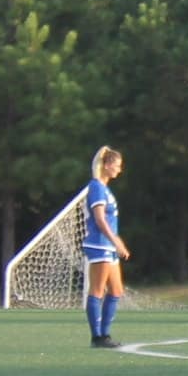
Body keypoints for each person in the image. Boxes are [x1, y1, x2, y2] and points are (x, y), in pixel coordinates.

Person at [81, 146, 128, 348]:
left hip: (108, 245)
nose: (119, 169)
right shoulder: (96, 187)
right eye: (117, 166)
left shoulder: (105, 187)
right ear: (107, 165)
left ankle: (105, 334)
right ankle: (97, 337)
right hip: (100, 245)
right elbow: (99, 219)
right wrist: (116, 240)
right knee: (98, 290)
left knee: (116, 290)